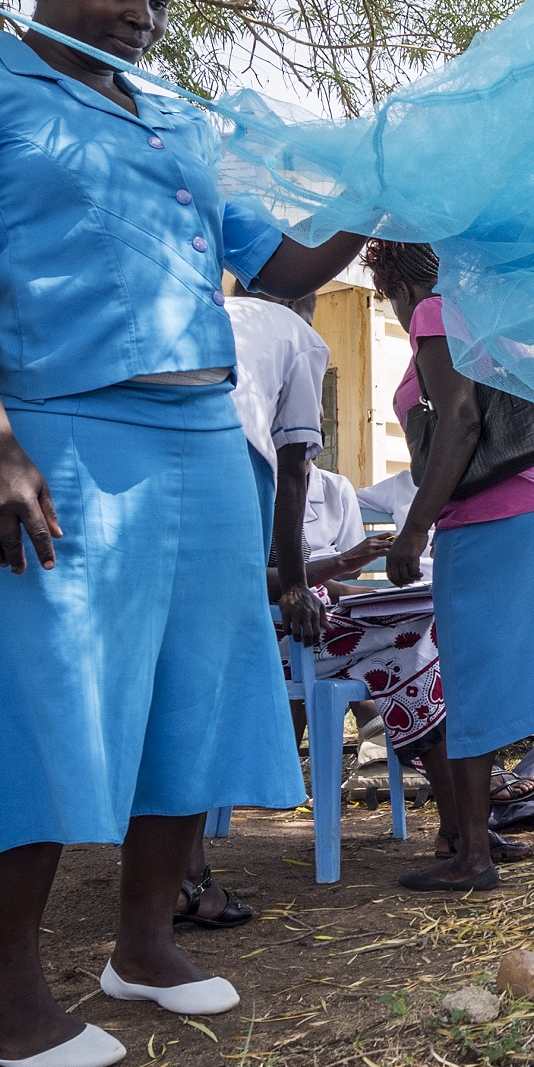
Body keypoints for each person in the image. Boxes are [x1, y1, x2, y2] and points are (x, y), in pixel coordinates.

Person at [0, 0, 372, 1067]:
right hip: (56, 430)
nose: (140, 16)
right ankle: (4, 1000)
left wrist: (383, 190)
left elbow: (284, 267)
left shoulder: (178, 117)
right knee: (39, 702)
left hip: (200, 438)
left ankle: (145, 945)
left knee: (187, 699)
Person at [375, 241, 534, 889]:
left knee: (473, 672)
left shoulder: (434, 313)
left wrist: (414, 528)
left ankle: (473, 856)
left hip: (494, 519)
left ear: (395, 278)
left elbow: (458, 422)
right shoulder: (496, 325)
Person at [176, 286, 335, 928]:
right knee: (203, 684)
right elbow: (294, 465)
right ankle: (185, 880)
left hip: (150, 445)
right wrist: (293, 581)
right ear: (305, 297)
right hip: (225, 468)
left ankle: (173, 872)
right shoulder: (297, 332)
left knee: (169, 676)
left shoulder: (206, 304)